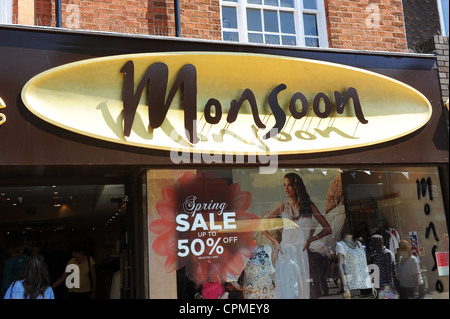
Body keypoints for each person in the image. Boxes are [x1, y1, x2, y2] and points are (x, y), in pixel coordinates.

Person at [263, 172, 332, 299]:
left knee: (301, 290)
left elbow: (327, 229)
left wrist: (311, 240)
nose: (286, 188)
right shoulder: (283, 206)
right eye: (284, 185)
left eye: (289, 185)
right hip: (285, 253)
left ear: (297, 186)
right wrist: (275, 243)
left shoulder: (309, 206)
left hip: (301, 252)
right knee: (287, 290)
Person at [336, 231, 374, 299]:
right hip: (352, 286)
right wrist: (345, 287)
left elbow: (364, 264)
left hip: (366, 285)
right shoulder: (340, 245)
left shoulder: (359, 243)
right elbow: (341, 266)